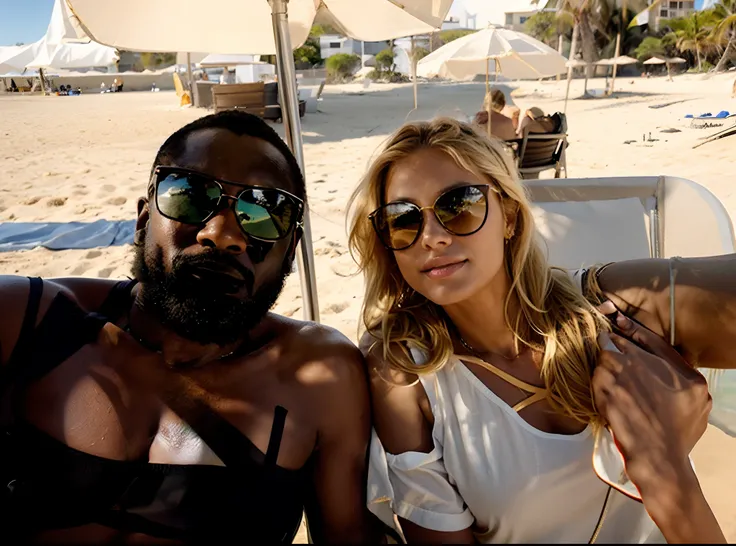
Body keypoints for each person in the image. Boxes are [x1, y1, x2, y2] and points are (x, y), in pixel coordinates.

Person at [347, 117, 733, 543]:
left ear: (509, 216)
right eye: (403, 220)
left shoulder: (616, 310)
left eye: (459, 205)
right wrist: (664, 470)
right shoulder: (404, 373)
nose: (432, 237)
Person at [1, 111, 374, 544]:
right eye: (190, 195)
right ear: (143, 220)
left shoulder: (320, 377)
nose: (222, 233)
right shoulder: (25, 320)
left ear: (290, 253)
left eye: (265, 212)